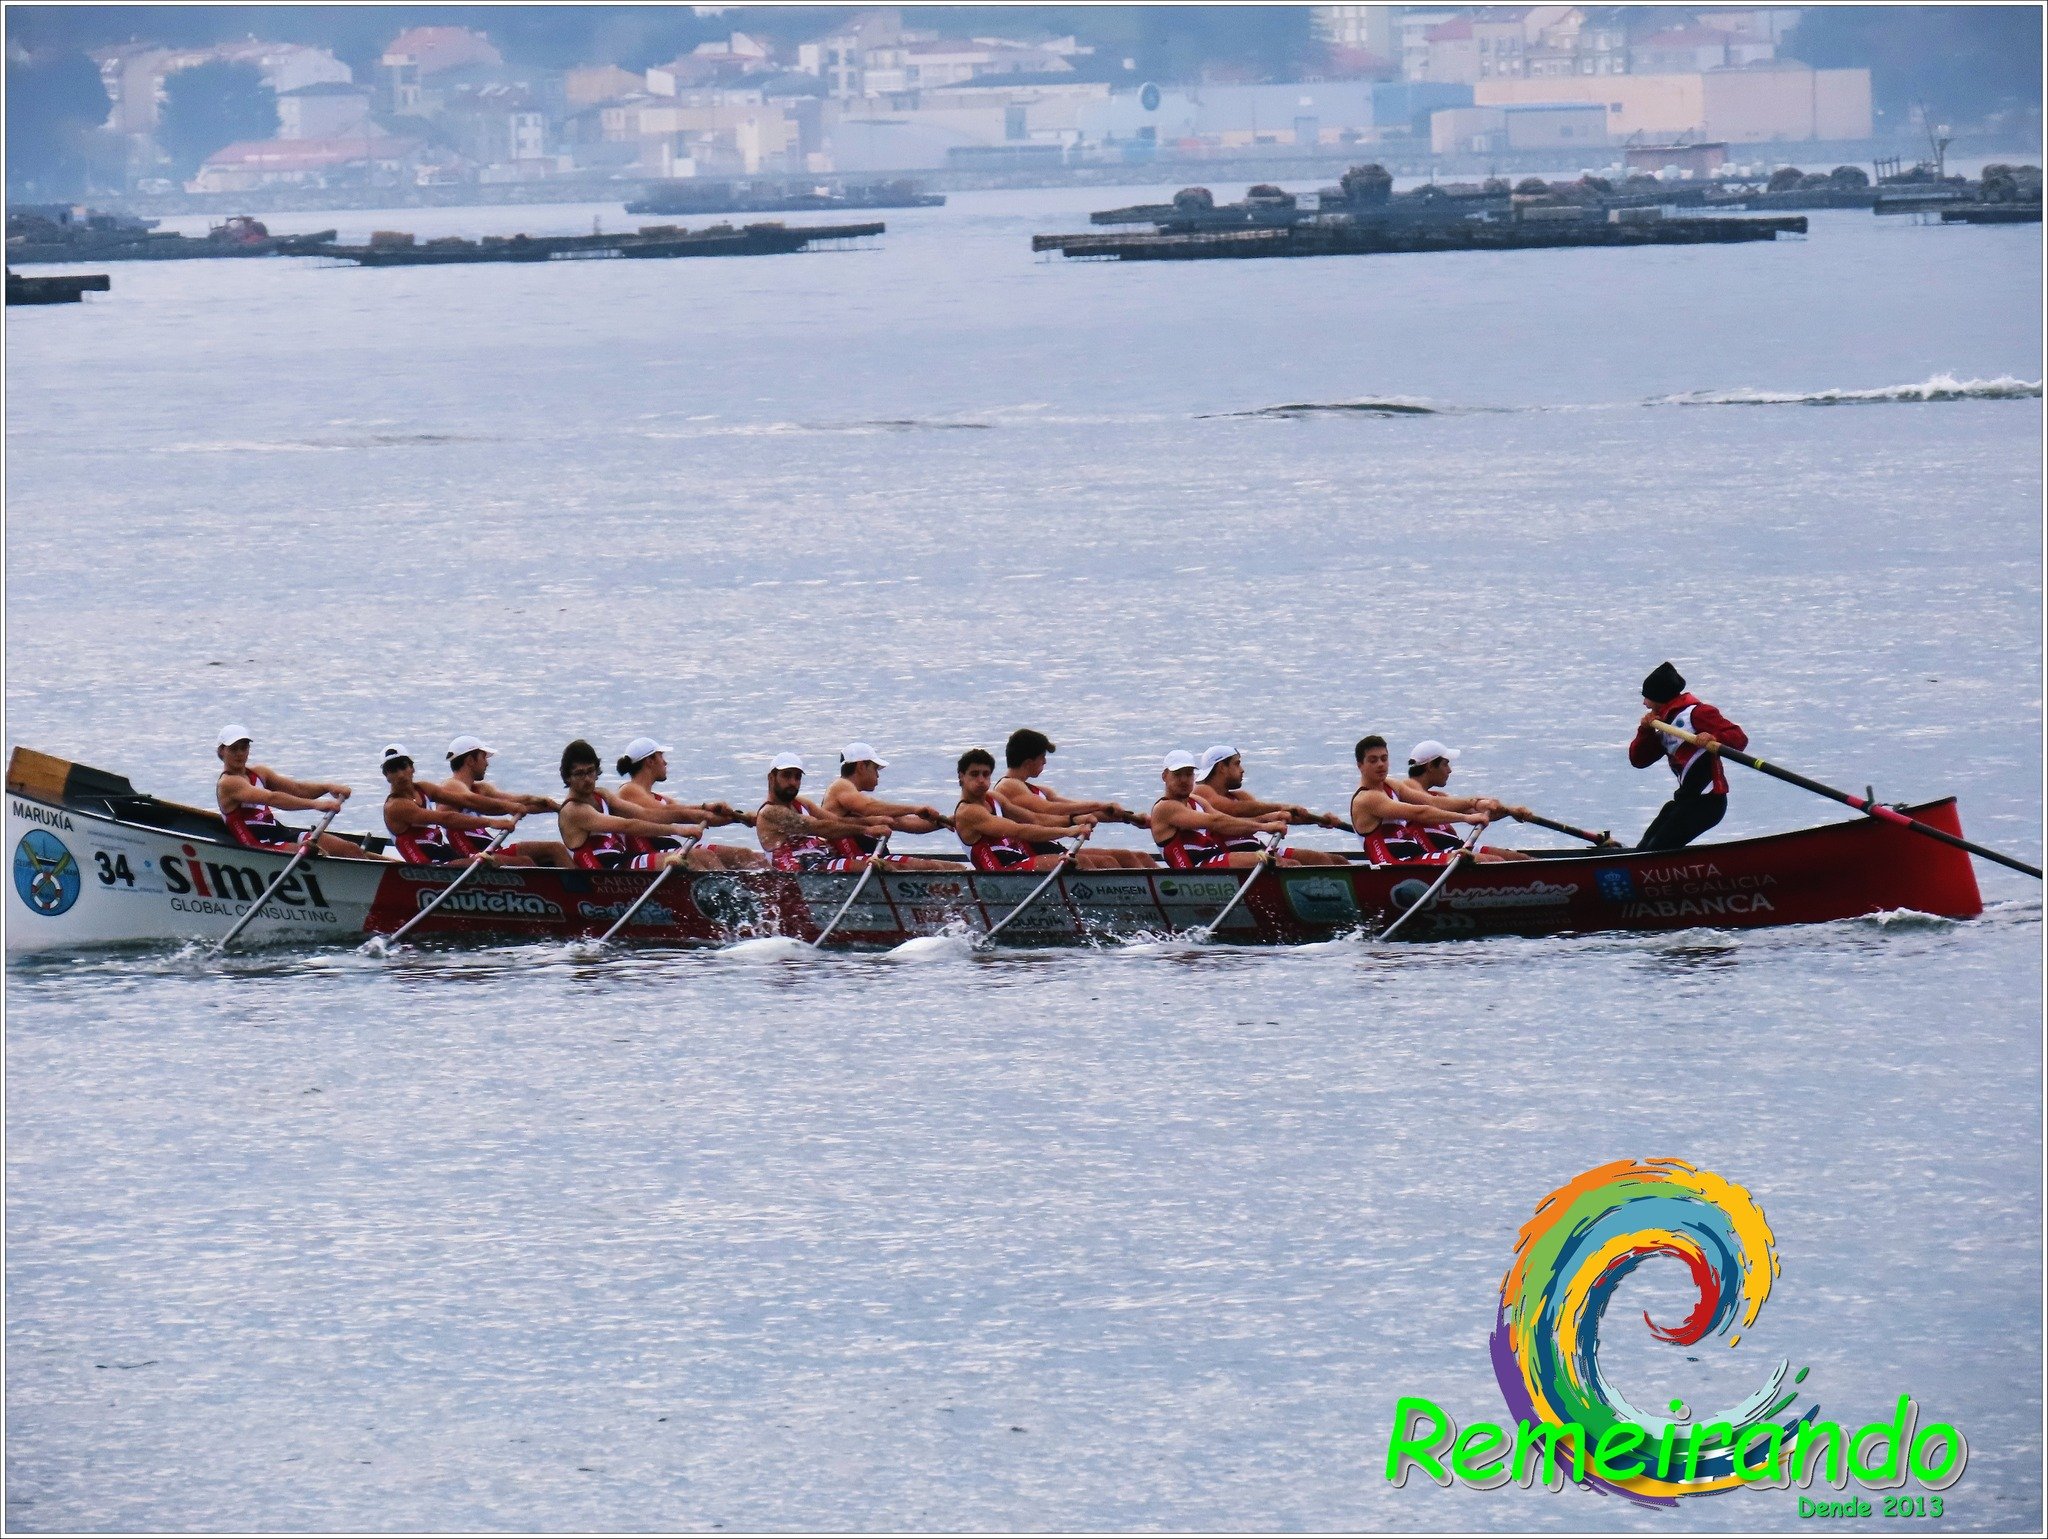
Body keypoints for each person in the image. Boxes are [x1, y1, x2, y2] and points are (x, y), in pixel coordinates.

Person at [1629, 662, 1748, 851]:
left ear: (1660, 696)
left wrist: (1713, 737)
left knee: (1656, 851)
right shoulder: (1662, 723)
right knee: (1644, 849)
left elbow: (1739, 739)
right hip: (1685, 801)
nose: (1644, 703)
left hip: (1708, 803)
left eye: (1647, 697)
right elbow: (1638, 760)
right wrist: (1645, 731)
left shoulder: (1698, 713)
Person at [993, 729, 1154, 869]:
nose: (1045, 761)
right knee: (1106, 862)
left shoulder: (1039, 790)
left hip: (1052, 847)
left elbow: (1078, 809)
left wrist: (1129, 818)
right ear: (1028, 762)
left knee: (1133, 856)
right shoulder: (1008, 786)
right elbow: (1047, 809)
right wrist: (1100, 804)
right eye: (1042, 757)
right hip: (1033, 851)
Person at [612, 737, 762, 871]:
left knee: (743, 854)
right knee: (704, 856)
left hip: (665, 850)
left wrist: (740, 818)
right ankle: (724, 898)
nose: (665, 762)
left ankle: (772, 889)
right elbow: (673, 813)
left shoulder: (660, 798)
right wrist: (705, 807)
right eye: (661, 756)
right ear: (649, 761)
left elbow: (695, 815)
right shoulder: (629, 790)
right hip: (638, 856)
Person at [214, 724, 363, 857]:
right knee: (316, 854)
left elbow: (297, 789)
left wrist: (327, 787)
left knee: (350, 849)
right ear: (221, 751)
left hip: (279, 832)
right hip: (256, 845)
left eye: (244, 747)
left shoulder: (260, 772)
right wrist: (316, 805)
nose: (240, 753)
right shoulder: (228, 783)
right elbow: (272, 798)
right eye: (233, 749)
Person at [423, 735, 571, 866]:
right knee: (530, 860)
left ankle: (584, 885)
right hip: (474, 855)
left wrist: (557, 807)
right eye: (483, 757)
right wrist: (511, 807)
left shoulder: (480, 789)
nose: (487, 763)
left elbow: (517, 802)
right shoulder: (451, 785)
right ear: (470, 760)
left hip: (491, 848)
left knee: (554, 850)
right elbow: (476, 802)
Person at [555, 738, 701, 871]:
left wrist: (705, 813)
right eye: (580, 774)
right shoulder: (574, 810)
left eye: (590, 771)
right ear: (568, 777)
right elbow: (628, 826)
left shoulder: (602, 794)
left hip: (621, 861)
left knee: (700, 856)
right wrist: (678, 830)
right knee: (686, 858)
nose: (587, 779)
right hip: (604, 874)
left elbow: (644, 814)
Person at [1190, 744, 1349, 865]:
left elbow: (1273, 818)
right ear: (1222, 767)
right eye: (1237, 764)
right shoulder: (1202, 792)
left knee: (1333, 860)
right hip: (1232, 854)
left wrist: (1319, 820)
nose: (1243, 770)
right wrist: (1280, 807)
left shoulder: (1240, 796)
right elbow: (1234, 809)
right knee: (1292, 865)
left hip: (1257, 848)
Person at [1350, 735, 1492, 864]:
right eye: (1373, 760)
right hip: (1395, 866)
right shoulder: (1367, 798)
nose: (1380, 764)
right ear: (1360, 765)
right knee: (1483, 861)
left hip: (1415, 858)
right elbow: (1419, 812)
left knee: (1493, 860)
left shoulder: (1391, 784)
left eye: (1384, 758)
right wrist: (1465, 818)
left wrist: (1474, 803)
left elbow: (1431, 802)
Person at [817, 742, 957, 871]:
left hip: (863, 859)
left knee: (951, 867)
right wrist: (915, 808)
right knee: (922, 867)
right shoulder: (841, 785)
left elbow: (906, 823)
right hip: (842, 861)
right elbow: (867, 807)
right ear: (861, 767)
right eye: (875, 768)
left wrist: (943, 821)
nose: (878, 775)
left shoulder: (857, 799)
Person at [954, 748, 1100, 871]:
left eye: (985, 774)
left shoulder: (994, 798)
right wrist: (1068, 832)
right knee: (1083, 863)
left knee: (1101, 862)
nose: (981, 780)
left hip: (1019, 863)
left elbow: (1034, 819)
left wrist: (1071, 820)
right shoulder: (968, 811)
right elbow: (1018, 830)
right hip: (1001, 874)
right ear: (961, 777)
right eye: (974, 774)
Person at [1390, 740, 1534, 862]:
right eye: (1445, 764)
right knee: (1497, 862)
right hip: (1439, 856)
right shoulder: (1408, 788)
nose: (1450, 770)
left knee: (1520, 858)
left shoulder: (1438, 796)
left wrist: (1510, 811)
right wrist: (1474, 802)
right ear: (1430, 766)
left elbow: (1479, 812)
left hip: (1457, 847)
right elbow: (1431, 803)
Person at [1150, 750, 1293, 869]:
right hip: (1194, 871)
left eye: (1188, 774)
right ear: (1164, 776)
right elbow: (1216, 822)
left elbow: (1229, 824)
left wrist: (1270, 818)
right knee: (1273, 861)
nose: (1183, 780)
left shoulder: (1198, 801)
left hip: (1214, 862)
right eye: (1177, 774)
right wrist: (1264, 827)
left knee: (1291, 864)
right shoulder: (1165, 807)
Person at [754, 753, 896, 872]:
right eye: (787, 775)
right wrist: (867, 829)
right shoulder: (770, 812)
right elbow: (821, 827)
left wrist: (871, 821)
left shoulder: (801, 802)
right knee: (882, 868)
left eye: (797, 777)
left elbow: (836, 821)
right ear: (771, 778)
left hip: (822, 863)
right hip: (801, 876)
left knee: (891, 866)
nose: (793, 782)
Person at [379, 745, 518, 866]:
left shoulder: (424, 788)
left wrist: (509, 806)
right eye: (393, 770)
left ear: (412, 768)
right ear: (386, 775)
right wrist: (490, 822)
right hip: (427, 867)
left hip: (444, 855)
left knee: (523, 860)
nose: (401, 775)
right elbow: (445, 819)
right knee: (515, 862)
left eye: (403, 767)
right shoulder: (396, 806)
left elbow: (465, 800)